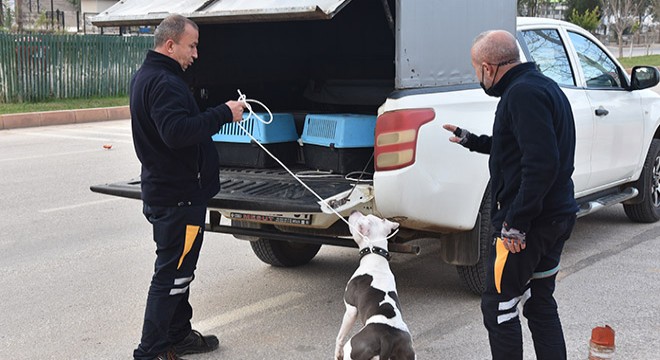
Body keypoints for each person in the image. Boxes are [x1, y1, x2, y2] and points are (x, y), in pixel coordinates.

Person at [443, 30, 579, 360]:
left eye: (476, 70)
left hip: (529, 226)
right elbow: (515, 149)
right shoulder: (541, 86)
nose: (478, 77)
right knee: (539, 302)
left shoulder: (521, 95)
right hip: (555, 217)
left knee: (499, 308)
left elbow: (542, 164)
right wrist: (471, 139)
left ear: (488, 68)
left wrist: (517, 221)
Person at [129, 14, 245, 360]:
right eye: (191, 46)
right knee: (172, 276)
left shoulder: (147, 76)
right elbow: (177, 133)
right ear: (170, 45)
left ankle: (178, 336)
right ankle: (149, 352)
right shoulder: (164, 83)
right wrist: (224, 112)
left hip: (165, 192)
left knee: (179, 272)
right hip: (178, 199)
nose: (195, 54)